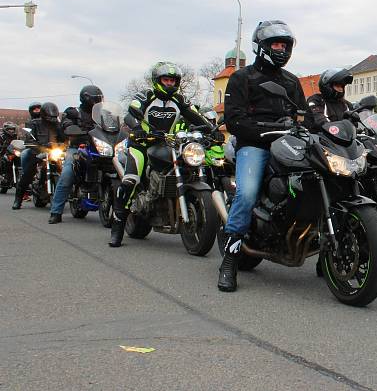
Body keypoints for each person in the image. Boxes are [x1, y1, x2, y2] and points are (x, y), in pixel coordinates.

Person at [218, 20, 308, 292]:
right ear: (262, 46)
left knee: (316, 179)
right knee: (246, 193)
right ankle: (230, 261)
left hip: (289, 146)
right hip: (254, 146)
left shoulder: (292, 81)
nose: (281, 49)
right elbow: (233, 120)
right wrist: (265, 132)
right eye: (276, 45)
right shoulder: (242, 78)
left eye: (285, 45)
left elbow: (303, 117)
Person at [109, 62, 213, 247]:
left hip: (168, 143)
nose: (169, 84)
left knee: (190, 165)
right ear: (157, 81)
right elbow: (131, 113)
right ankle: (118, 224)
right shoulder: (146, 96)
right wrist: (137, 128)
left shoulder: (180, 100)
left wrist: (213, 130)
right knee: (131, 180)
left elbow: (197, 116)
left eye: (173, 80)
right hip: (141, 143)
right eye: (166, 80)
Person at [47, 85, 104, 224]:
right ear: (85, 99)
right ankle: (56, 211)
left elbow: (114, 125)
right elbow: (65, 126)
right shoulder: (73, 112)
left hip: (100, 148)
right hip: (78, 147)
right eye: (95, 99)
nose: (97, 102)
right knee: (67, 174)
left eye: (99, 99)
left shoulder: (104, 113)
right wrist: (70, 128)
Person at [12, 102, 65, 210]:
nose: (52, 119)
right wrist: (39, 146)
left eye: (54, 117)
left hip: (54, 152)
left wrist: (63, 144)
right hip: (38, 152)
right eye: (50, 117)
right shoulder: (33, 123)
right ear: (44, 115)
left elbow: (64, 138)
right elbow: (29, 139)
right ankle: (18, 199)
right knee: (29, 172)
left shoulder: (58, 125)